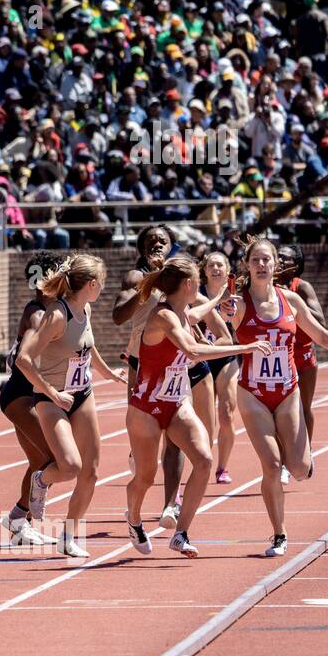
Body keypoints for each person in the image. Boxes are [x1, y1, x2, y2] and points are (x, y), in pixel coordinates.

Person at [222, 237, 328, 557]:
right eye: (255, 260)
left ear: (276, 266)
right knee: (271, 466)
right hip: (253, 394)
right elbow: (227, 315)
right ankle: (278, 534)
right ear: (247, 264)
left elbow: (318, 334)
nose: (261, 265)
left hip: (287, 391)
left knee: (298, 469)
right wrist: (225, 308)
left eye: (266, 260)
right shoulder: (239, 302)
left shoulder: (292, 301)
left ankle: (300, 460)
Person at [125, 257, 267, 558]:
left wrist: (216, 299)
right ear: (189, 285)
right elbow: (191, 350)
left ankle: (181, 533)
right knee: (146, 477)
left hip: (176, 403)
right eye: (197, 284)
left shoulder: (183, 311)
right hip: (147, 407)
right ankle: (134, 518)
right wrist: (244, 348)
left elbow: (197, 313)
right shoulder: (163, 316)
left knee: (203, 461)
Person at [15, 255, 125, 558]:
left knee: (90, 471)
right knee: (70, 466)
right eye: (101, 283)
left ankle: (68, 535)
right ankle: (41, 479)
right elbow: (23, 359)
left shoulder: (84, 309)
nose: (102, 288)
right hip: (52, 399)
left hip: (83, 394)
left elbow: (88, 347)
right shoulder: (57, 315)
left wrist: (106, 372)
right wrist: (51, 392)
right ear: (91, 285)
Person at [113, 225, 187, 529]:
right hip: (141, 364)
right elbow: (118, 316)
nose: (157, 244)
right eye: (151, 241)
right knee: (147, 438)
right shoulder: (135, 278)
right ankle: (139, 456)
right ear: (142, 249)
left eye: (163, 240)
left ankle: (171, 503)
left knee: (175, 436)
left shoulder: (181, 275)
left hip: (174, 365)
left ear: (171, 246)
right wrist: (146, 286)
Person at [0, 251, 63, 547]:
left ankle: (17, 520)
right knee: (55, 457)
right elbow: (23, 359)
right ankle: (25, 512)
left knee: (38, 460)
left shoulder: (54, 312)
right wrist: (50, 389)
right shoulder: (37, 313)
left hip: (27, 395)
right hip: (21, 395)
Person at [276, 245, 324, 443]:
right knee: (277, 412)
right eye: (276, 255)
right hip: (277, 359)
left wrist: (294, 301)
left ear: (294, 266)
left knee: (303, 408)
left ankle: (307, 452)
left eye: (283, 257)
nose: (278, 260)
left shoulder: (301, 287)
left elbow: (321, 322)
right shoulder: (264, 287)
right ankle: (283, 459)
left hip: (302, 356)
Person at [200, 251, 240, 484]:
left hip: (226, 356)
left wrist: (231, 316)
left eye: (220, 265)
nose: (216, 269)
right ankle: (203, 462)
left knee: (226, 415)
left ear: (227, 270)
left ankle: (222, 467)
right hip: (202, 357)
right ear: (204, 270)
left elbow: (242, 324)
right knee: (205, 419)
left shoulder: (235, 295)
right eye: (211, 265)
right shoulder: (197, 295)